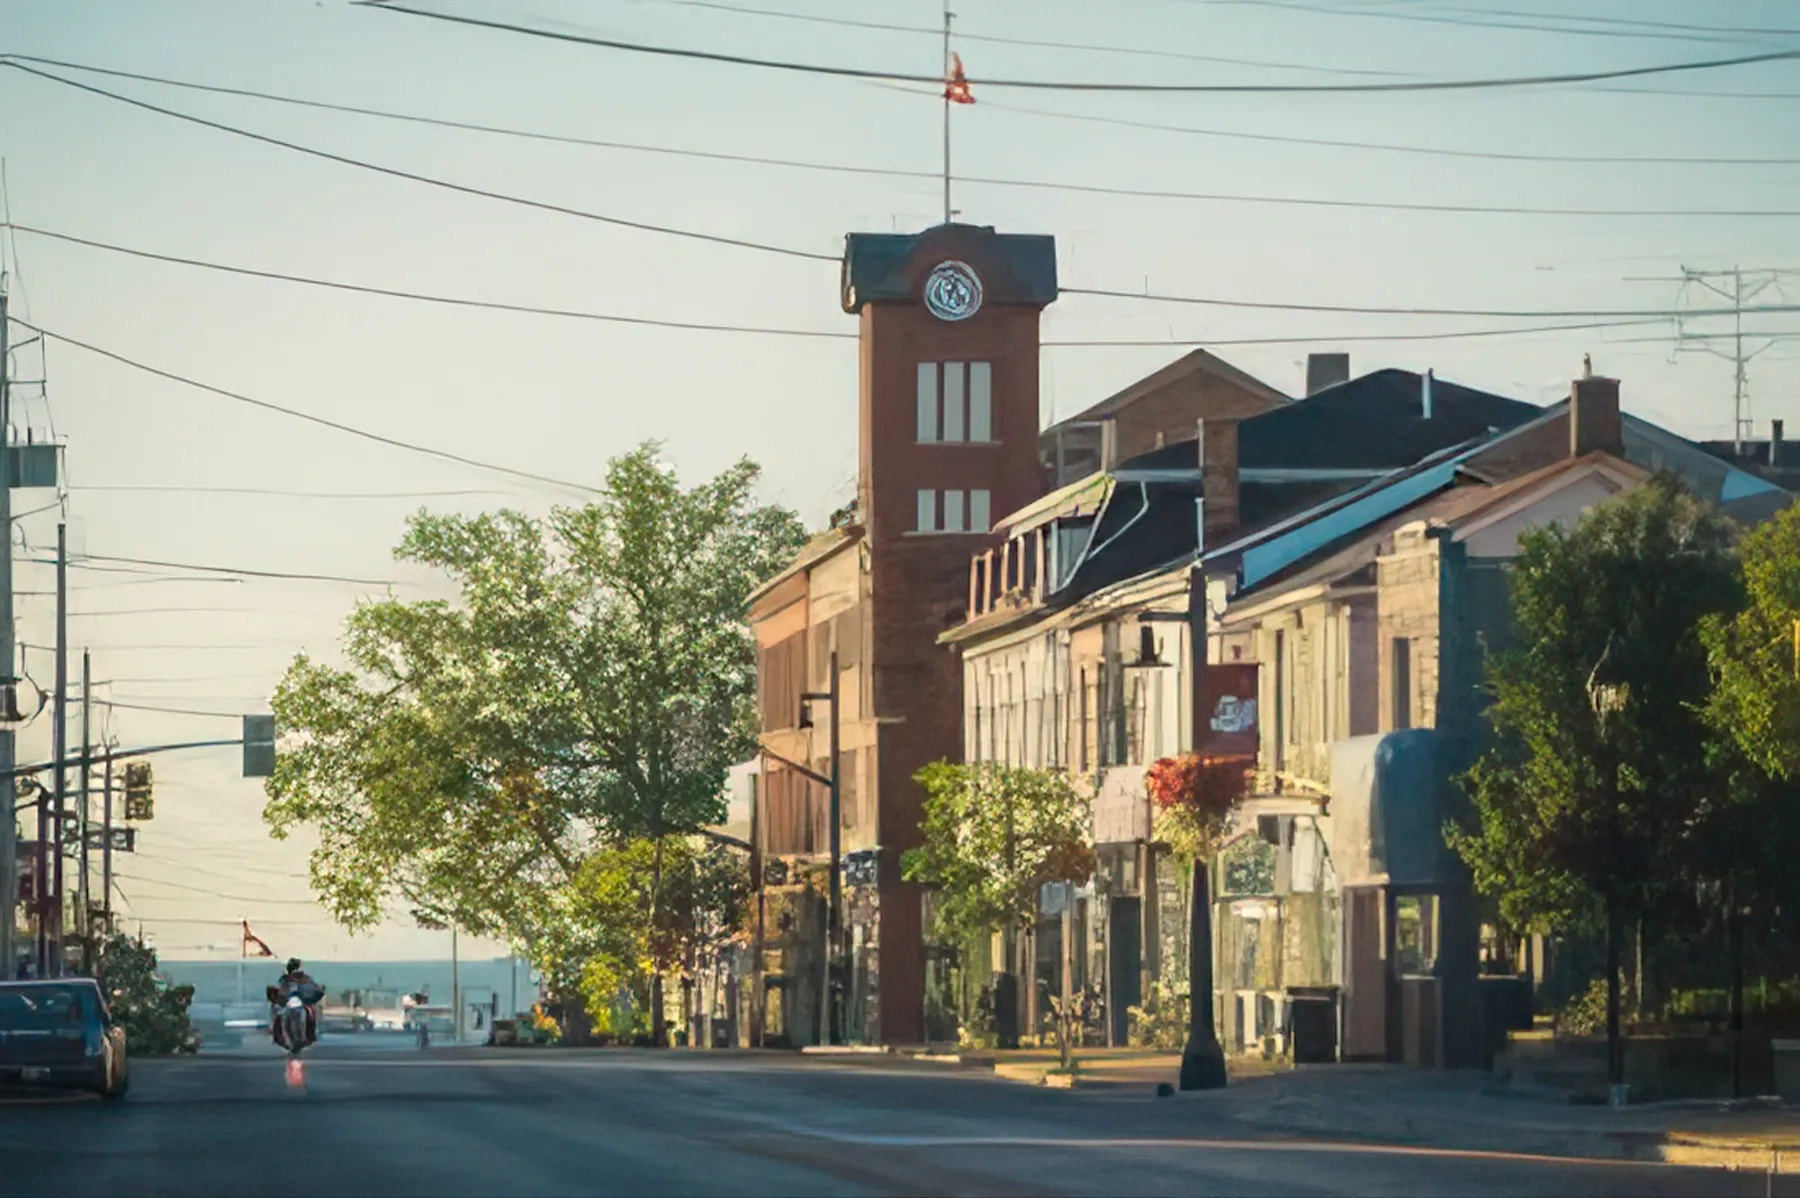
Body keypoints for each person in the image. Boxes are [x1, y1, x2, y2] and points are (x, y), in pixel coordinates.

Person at [268, 958, 320, 1049]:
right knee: (276, 1012)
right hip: (288, 1002)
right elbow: (279, 989)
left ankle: (311, 1034)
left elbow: (313, 988)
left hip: (300, 1002)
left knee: (312, 1012)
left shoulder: (304, 978)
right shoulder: (285, 979)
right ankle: (276, 1034)